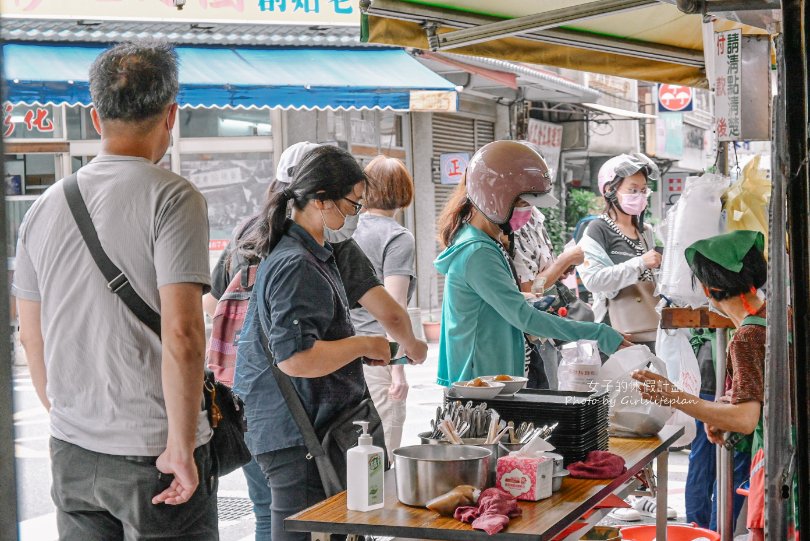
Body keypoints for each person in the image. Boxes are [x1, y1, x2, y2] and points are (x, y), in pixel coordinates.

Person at [13, 42, 218, 539]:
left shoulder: (44, 207)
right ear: (172, 114)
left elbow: (30, 335)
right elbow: (184, 333)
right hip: (155, 450)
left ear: (95, 116)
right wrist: (181, 446)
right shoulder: (172, 196)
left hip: (72, 450)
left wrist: (70, 419)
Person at [209, 144, 427, 540]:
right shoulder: (296, 262)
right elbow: (295, 358)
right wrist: (364, 345)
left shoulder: (313, 251)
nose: (355, 215)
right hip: (295, 434)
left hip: (306, 426)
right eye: (352, 204)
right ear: (320, 199)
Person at [434, 140, 627, 386]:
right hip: (481, 386)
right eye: (524, 204)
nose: (528, 213)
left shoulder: (485, 242)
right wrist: (599, 333)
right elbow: (524, 318)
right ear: (495, 198)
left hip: (492, 380)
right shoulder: (477, 252)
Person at [631, 230, 769, 541]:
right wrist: (721, 409)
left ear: (709, 288)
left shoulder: (747, 336)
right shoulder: (776, 315)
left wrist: (673, 395)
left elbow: (745, 420)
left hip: (777, 461)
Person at [350, 155, 416, 458]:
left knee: (352, 452)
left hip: (342, 355)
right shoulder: (397, 237)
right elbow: (394, 306)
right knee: (383, 454)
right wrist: (398, 368)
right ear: (403, 192)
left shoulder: (346, 229)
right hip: (378, 359)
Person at [577, 153, 662, 347]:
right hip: (617, 333)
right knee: (622, 379)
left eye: (643, 190)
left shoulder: (645, 231)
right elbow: (593, 281)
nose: (639, 196)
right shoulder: (597, 229)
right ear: (609, 190)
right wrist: (639, 263)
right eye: (632, 190)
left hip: (652, 329)